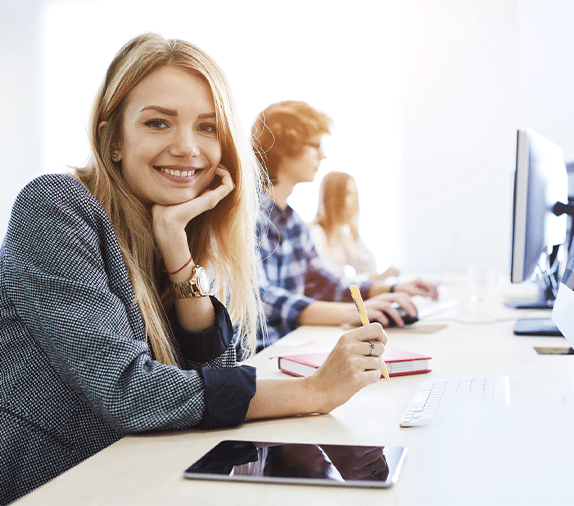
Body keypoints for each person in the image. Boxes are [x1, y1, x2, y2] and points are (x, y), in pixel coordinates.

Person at [0, 34, 387, 505]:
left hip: (153, 473)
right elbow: (129, 392)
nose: (188, 148)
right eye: (159, 122)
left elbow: (217, 367)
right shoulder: (56, 207)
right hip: (71, 485)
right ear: (113, 139)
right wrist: (312, 392)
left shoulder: (172, 224)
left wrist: (177, 252)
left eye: (207, 128)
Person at [251, 100, 439, 348]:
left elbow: (324, 283)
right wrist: (352, 313)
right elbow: (259, 297)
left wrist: (392, 288)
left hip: (294, 345)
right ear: (287, 147)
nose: (323, 155)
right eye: (316, 146)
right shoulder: (244, 217)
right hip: (260, 357)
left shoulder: (292, 221)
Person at [309, 170, 400, 283]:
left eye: (356, 194)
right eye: (348, 194)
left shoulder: (343, 235)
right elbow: (330, 284)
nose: (355, 200)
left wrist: (355, 234)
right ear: (333, 198)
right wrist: (372, 277)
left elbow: (369, 270)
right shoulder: (315, 234)